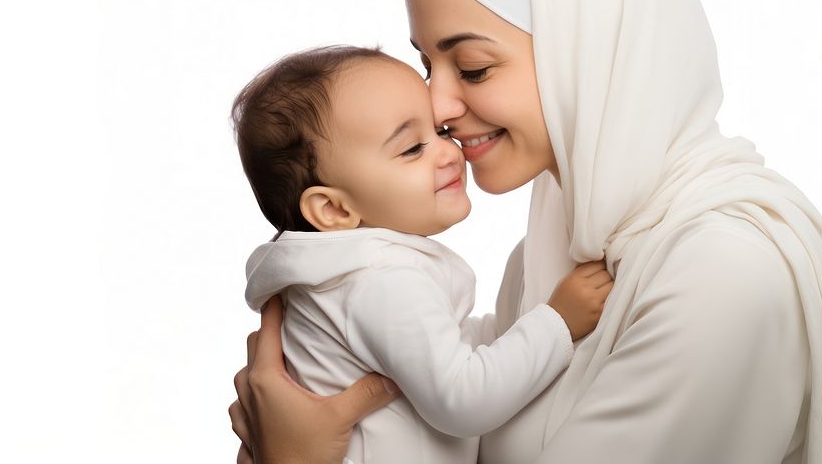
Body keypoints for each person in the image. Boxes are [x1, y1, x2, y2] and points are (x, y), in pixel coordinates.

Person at [230, 0, 822, 464]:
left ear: (588, 48)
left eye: (471, 67)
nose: (439, 108)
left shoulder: (723, 274)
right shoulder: (556, 244)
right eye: (427, 66)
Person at [232, 45, 614, 464]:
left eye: (441, 133)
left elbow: (453, 349)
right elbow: (463, 399)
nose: (450, 152)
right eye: (413, 148)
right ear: (334, 209)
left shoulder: (345, 278)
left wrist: (521, 322)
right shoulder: (378, 281)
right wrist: (556, 321)